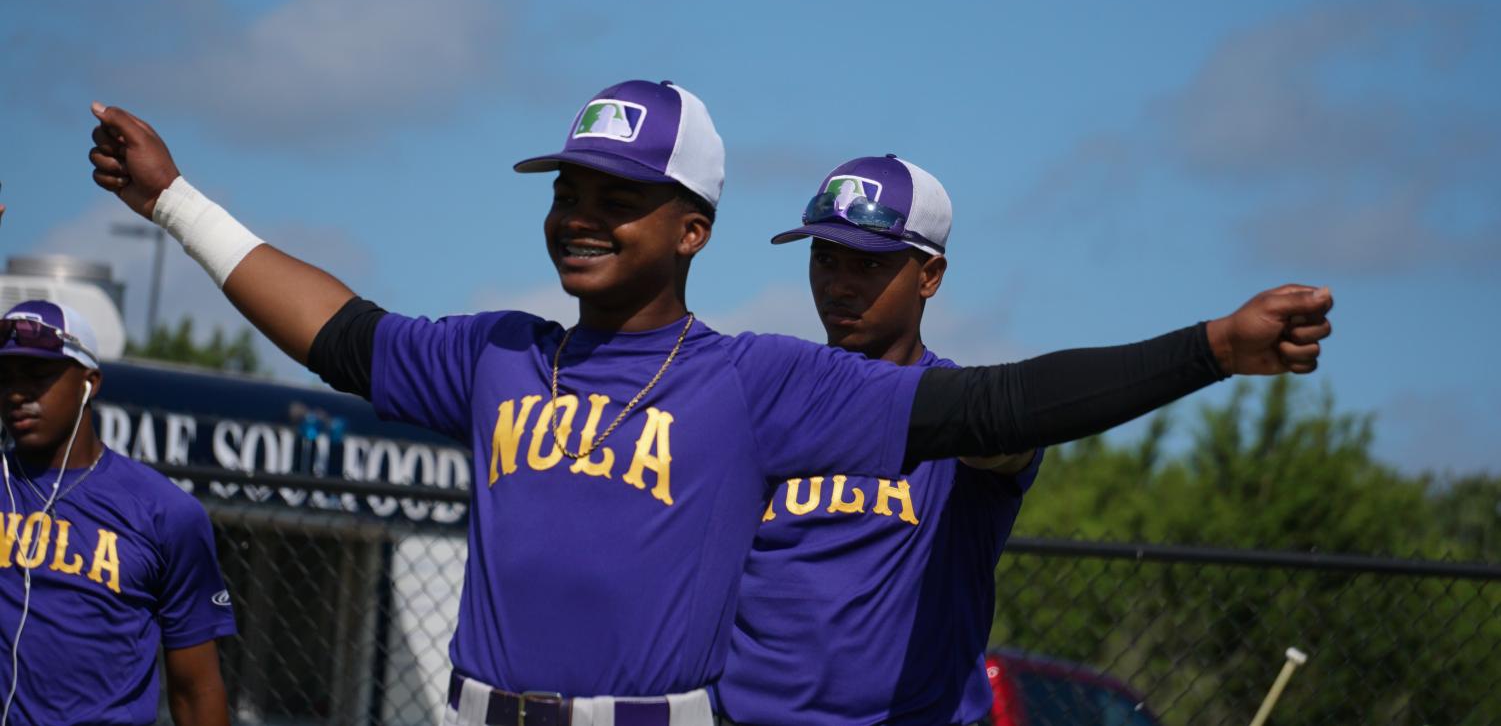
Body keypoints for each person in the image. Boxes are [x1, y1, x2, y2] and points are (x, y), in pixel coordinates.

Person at [85, 80, 1333, 726]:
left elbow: (999, 402)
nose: (580, 212)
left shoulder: (759, 382)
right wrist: (178, 201)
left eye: (614, 195)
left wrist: (1213, 347)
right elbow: (340, 331)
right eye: (568, 187)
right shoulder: (501, 353)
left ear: (691, 230)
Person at [716, 155, 1037, 725]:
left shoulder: (961, 411)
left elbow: (1010, 444)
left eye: (867, 263)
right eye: (825, 257)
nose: (838, 284)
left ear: (930, 276)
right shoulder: (775, 396)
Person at [0, 300, 235, 726]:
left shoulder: (165, 511)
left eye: (37, 376)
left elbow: (196, 690)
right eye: (6, 378)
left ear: (89, 383)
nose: (16, 393)